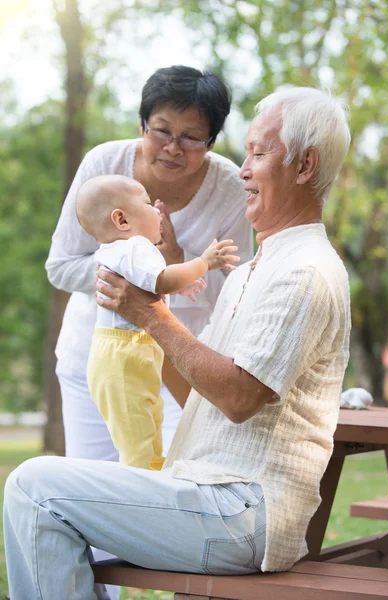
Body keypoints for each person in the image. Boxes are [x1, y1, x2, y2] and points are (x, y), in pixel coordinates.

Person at [4, 86, 351, 599]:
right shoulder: (257, 267)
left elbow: (237, 398)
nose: (243, 170)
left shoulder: (304, 271)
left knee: (35, 489)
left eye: (258, 153)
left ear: (305, 166)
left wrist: (150, 312)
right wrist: (137, 323)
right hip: (208, 493)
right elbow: (197, 390)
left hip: (241, 510)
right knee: (42, 490)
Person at [45, 65, 253, 599]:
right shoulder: (104, 167)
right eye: (162, 130)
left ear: (212, 139)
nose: (173, 148)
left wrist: (179, 269)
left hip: (183, 364)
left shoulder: (230, 186)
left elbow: (241, 284)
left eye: (192, 138)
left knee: (184, 486)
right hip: (99, 359)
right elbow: (61, 264)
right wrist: (129, 274)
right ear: (143, 124)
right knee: (89, 494)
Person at [76, 174, 239, 468]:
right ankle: (143, 482)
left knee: (144, 421)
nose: (157, 211)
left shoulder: (117, 251)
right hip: (125, 357)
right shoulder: (134, 247)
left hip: (122, 355)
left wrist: (179, 284)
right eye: (148, 204)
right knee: (138, 434)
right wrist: (204, 263)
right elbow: (161, 279)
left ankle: (149, 471)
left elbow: (152, 284)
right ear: (122, 220)